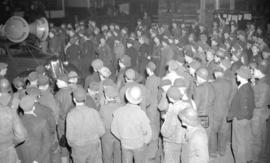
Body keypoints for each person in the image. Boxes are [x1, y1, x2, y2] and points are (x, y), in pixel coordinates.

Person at [111, 85, 152, 163]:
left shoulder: (119, 111)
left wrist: (122, 137)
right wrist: (145, 141)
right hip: (139, 144)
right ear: (139, 100)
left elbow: (113, 129)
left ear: (127, 97)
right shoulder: (141, 114)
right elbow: (148, 132)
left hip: (125, 144)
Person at [66, 86, 105, 163]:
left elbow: (69, 138)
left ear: (74, 99)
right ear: (85, 98)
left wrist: (77, 145)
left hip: (79, 149)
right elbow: (102, 131)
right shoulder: (94, 112)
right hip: (94, 147)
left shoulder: (71, 115)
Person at [228, 65, 255, 163]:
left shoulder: (243, 89)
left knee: (238, 144)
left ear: (241, 76)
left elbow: (244, 109)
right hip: (247, 119)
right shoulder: (248, 86)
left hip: (240, 120)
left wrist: (236, 117)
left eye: (238, 74)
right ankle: (247, 159)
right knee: (246, 141)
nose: (236, 75)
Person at [0, 79, 27, 163]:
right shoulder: (15, 100)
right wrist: (12, 143)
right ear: (9, 88)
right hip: (7, 147)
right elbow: (21, 136)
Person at [18, 95, 51, 163]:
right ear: (33, 107)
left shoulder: (17, 121)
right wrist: (37, 160)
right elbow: (47, 143)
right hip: (41, 157)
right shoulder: (42, 121)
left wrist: (19, 158)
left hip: (25, 156)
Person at [99, 86, 122, 163]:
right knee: (118, 154)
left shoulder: (103, 108)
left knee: (107, 155)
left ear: (106, 97)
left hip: (106, 134)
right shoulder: (120, 107)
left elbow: (100, 121)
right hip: (118, 133)